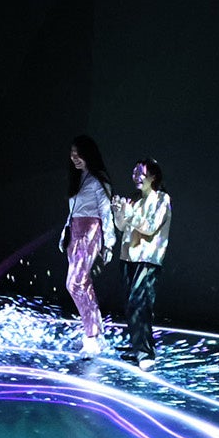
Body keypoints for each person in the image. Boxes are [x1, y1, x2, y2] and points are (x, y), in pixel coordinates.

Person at [112, 158, 172, 369]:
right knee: (131, 306)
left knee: (140, 304)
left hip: (147, 259)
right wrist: (119, 212)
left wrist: (130, 214)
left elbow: (150, 227)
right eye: (134, 172)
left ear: (153, 176)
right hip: (128, 258)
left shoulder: (162, 199)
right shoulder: (134, 199)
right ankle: (138, 347)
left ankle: (146, 353)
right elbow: (121, 227)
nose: (136, 177)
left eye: (141, 173)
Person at [60, 135, 116, 355]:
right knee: (83, 284)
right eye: (72, 153)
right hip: (75, 234)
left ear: (88, 154)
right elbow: (73, 211)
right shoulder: (78, 179)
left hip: (90, 233)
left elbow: (106, 212)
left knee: (74, 283)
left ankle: (91, 335)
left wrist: (109, 243)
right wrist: (65, 234)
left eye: (79, 153)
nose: (74, 158)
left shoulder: (97, 181)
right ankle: (95, 333)